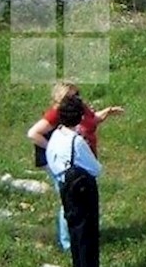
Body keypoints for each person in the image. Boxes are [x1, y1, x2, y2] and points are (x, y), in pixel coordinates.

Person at [27, 82, 123, 250]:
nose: (77, 98)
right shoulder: (58, 113)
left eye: (77, 94)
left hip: (83, 160)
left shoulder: (80, 108)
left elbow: (90, 121)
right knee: (70, 201)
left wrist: (106, 113)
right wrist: (55, 147)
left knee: (83, 200)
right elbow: (33, 133)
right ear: (61, 99)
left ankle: (84, 234)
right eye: (72, 96)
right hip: (66, 164)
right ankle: (68, 242)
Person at [46, 93, 104, 267]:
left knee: (74, 229)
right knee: (88, 234)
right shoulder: (76, 142)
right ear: (79, 118)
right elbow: (95, 168)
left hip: (64, 186)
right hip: (82, 188)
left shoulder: (55, 135)